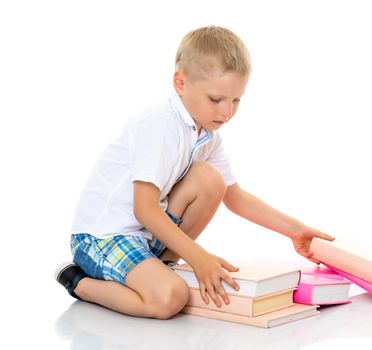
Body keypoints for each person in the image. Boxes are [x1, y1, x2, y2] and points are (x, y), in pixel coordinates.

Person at [55, 25, 335, 320]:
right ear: (180, 83)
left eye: (236, 100)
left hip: (145, 235)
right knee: (169, 299)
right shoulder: (160, 124)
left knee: (210, 179)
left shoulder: (206, 135)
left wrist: (294, 230)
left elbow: (235, 197)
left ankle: (161, 265)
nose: (227, 111)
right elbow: (144, 208)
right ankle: (80, 282)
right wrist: (197, 256)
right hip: (104, 237)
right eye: (216, 99)